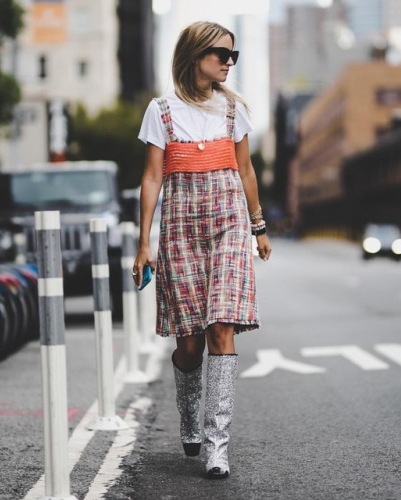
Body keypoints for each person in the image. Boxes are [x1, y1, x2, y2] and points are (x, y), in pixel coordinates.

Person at [133, 21, 272, 480]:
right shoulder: (162, 110)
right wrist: (143, 244)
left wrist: (258, 227)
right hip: (180, 227)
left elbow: (246, 171)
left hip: (229, 222)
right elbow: (152, 178)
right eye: (220, 54)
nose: (229, 62)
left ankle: (217, 446)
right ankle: (189, 417)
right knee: (189, 345)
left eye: (234, 55)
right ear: (195, 55)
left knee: (220, 329)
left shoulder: (235, 110)